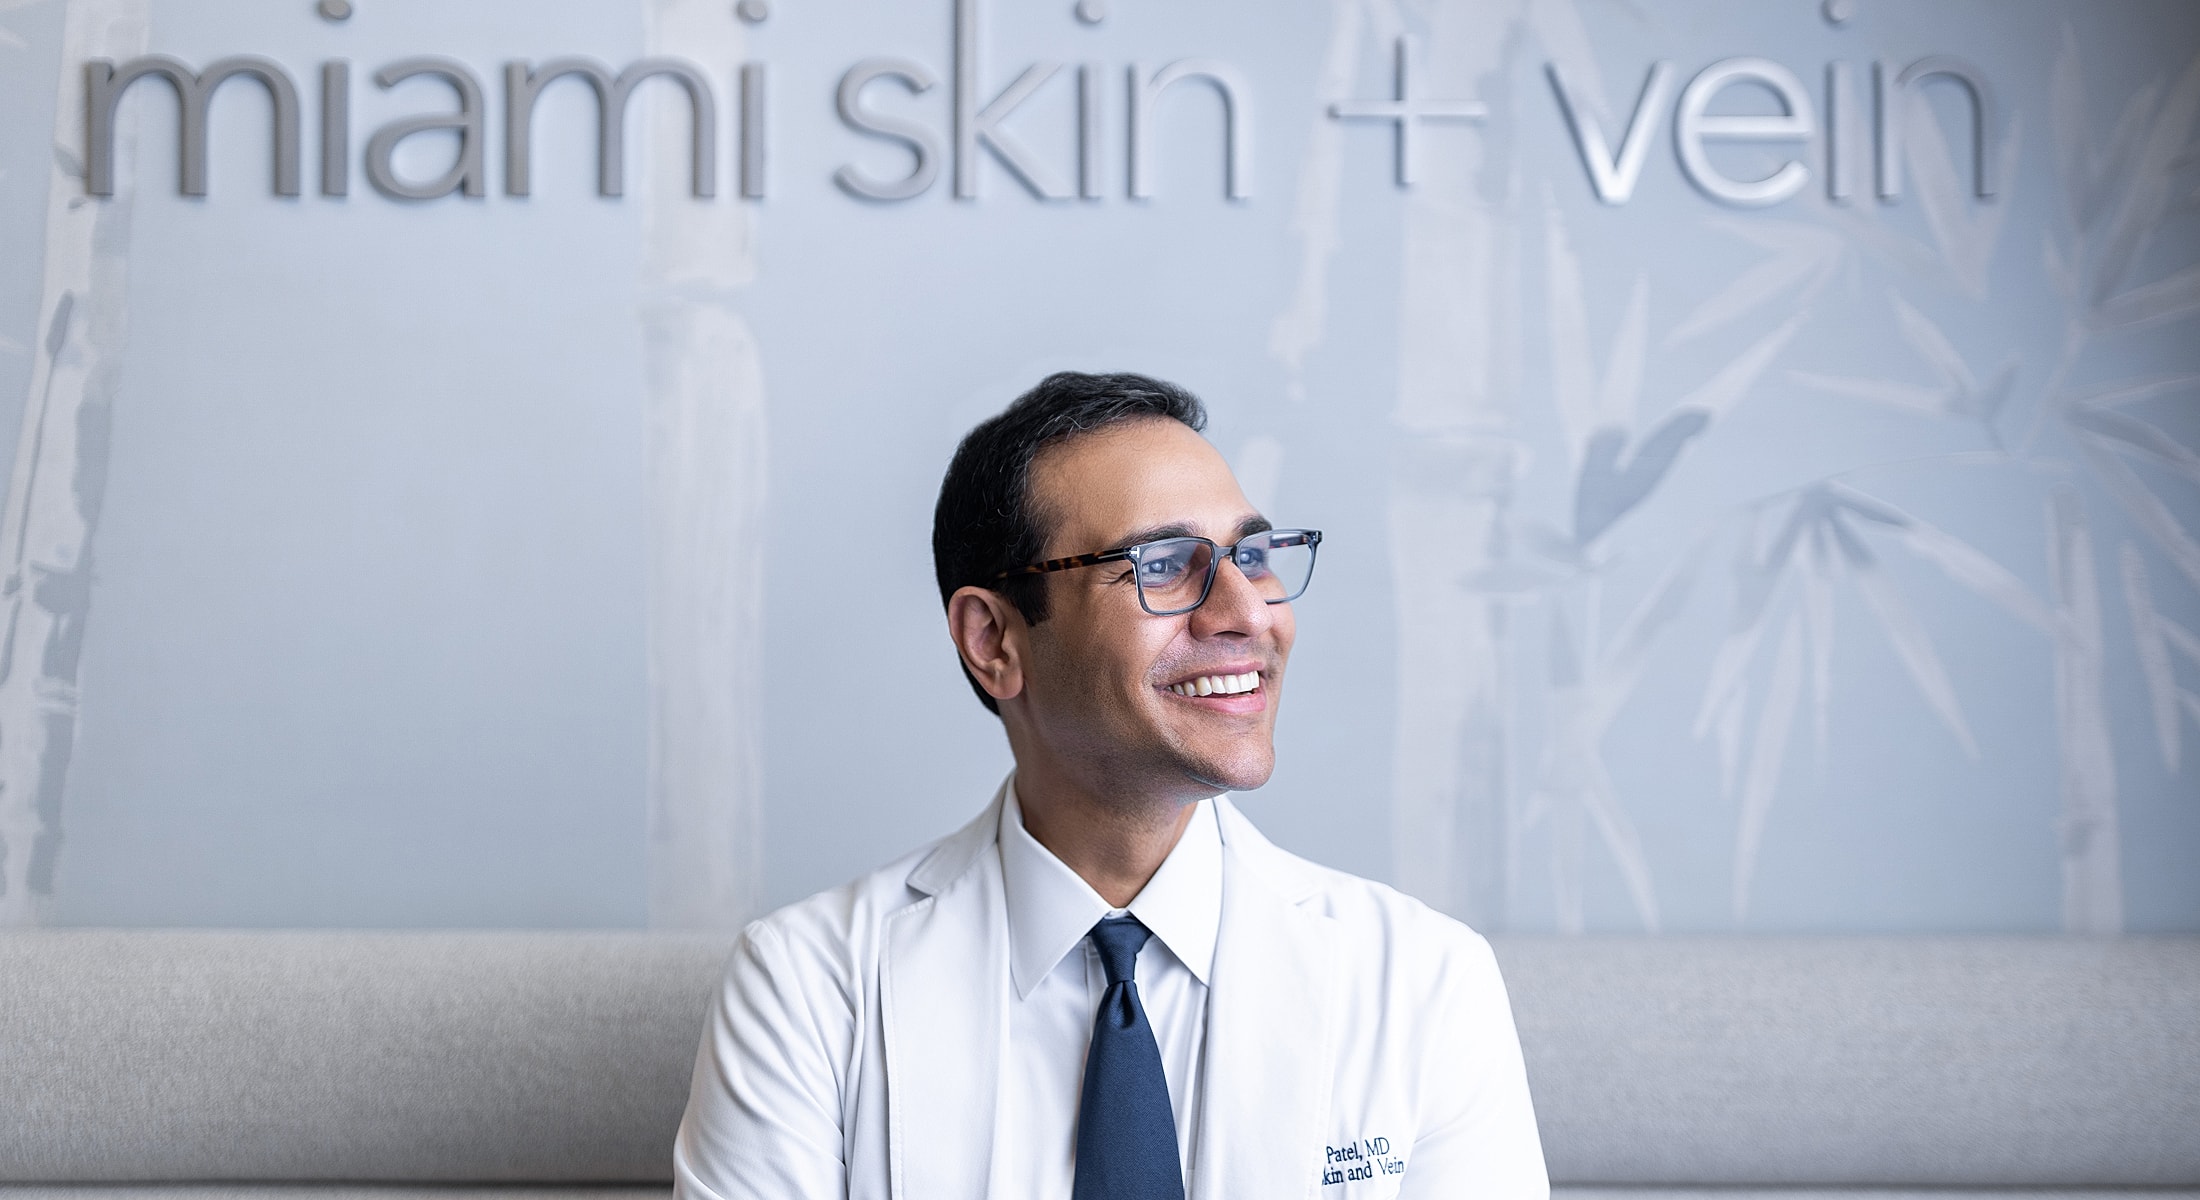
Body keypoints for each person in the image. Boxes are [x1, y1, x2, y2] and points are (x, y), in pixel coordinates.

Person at [673, 372, 1547, 1200]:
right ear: (994, 639)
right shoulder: (808, 988)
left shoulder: (1424, 983)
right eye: (1163, 564)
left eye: (1253, 555)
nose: (1246, 612)